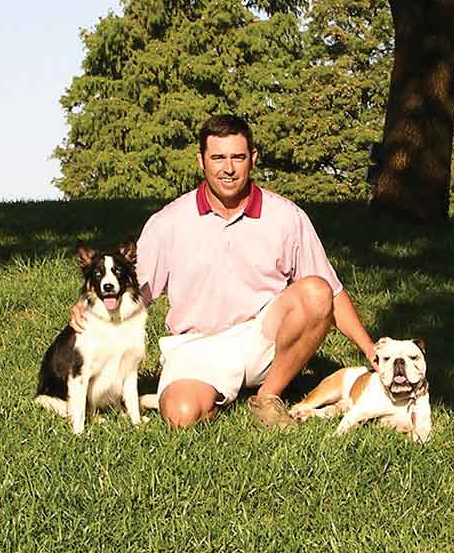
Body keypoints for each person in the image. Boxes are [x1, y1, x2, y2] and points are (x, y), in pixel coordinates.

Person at [72, 114, 377, 429]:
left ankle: (267, 397)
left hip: (263, 337)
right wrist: (87, 310)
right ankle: (212, 393)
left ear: (253, 159)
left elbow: (332, 293)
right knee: (182, 415)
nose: (228, 168)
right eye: (218, 157)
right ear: (201, 161)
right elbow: (131, 292)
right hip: (198, 347)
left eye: (238, 157)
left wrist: (371, 351)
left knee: (316, 291)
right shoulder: (168, 223)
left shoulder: (287, 217)